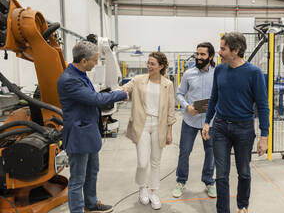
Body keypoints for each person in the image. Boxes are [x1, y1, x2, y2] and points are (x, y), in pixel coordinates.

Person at [202, 32, 269, 213]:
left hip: (244, 129)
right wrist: (207, 122)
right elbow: (214, 98)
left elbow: (263, 106)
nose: (220, 52)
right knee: (221, 175)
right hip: (221, 128)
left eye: (223, 48)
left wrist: (264, 136)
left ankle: (242, 206)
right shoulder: (220, 70)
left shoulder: (254, 73)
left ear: (236, 50)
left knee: (244, 172)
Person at [57, 41, 128, 213]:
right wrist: (119, 94)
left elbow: (92, 97)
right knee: (77, 179)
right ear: (83, 61)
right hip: (78, 135)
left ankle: (90, 203)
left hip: (89, 132)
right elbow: (95, 100)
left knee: (92, 172)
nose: (96, 63)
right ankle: (77, 210)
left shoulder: (80, 74)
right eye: (94, 60)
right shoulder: (69, 80)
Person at [121, 51, 176, 210]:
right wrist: (122, 92)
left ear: (161, 66)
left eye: (152, 63)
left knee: (156, 161)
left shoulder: (168, 84)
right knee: (143, 162)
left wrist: (169, 131)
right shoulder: (139, 80)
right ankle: (142, 187)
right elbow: (125, 87)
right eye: (148, 62)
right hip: (142, 124)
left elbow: (171, 109)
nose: (148, 66)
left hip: (160, 125)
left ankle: (153, 192)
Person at [172, 42, 216, 198]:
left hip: (210, 122)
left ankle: (209, 181)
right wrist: (186, 106)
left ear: (210, 56)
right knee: (184, 152)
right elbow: (178, 93)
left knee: (210, 153)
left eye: (202, 54)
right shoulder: (188, 74)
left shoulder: (217, 73)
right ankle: (181, 181)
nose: (198, 57)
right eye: (197, 54)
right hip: (190, 120)